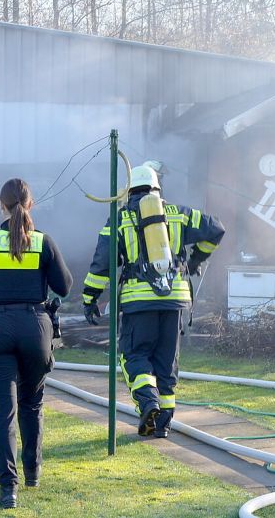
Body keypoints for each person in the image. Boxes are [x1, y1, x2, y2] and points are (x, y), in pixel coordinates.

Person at [82, 165, 224, 439]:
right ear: (158, 188)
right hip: (175, 300)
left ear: (129, 191)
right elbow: (217, 229)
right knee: (165, 360)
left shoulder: (120, 218)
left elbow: (102, 263)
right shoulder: (181, 214)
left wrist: (90, 298)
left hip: (139, 302)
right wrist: (196, 260)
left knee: (134, 355)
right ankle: (163, 425)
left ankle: (148, 402)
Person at [0, 178, 72, 509]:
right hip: (35, 329)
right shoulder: (43, 242)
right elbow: (64, 286)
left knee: (3, 413)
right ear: (30, 204)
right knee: (32, 404)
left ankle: (9, 489)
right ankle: (33, 472)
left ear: (1, 205)